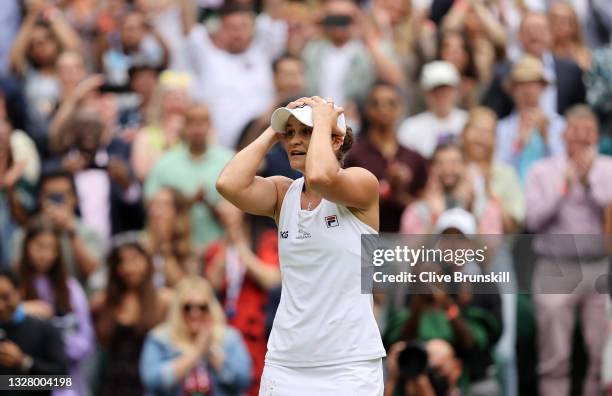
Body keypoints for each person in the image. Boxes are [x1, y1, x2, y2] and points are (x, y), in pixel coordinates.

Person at [216, 96, 386, 394]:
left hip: (349, 364)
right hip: (286, 362)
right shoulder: (284, 193)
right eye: (290, 133)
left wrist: (322, 119)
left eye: (305, 132)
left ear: (336, 140)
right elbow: (228, 184)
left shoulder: (362, 183)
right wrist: (272, 131)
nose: (294, 140)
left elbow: (322, 176)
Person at [525, 105, 612, 396]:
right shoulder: (542, 170)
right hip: (555, 267)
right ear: (564, 134)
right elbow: (533, 220)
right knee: (554, 354)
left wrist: (588, 185)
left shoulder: (608, 168)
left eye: (590, 132)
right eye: (577, 131)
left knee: (600, 353)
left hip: (598, 267)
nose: (583, 139)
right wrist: (564, 185)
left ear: (598, 136)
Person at [181, 0, 288, 148]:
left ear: (252, 28)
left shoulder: (263, 52)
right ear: (219, 29)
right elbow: (189, 26)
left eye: (243, 26)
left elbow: (274, 10)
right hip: (220, 149)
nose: (237, 33)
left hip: (263, 145)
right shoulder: (206, 56)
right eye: (231, 27)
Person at [203, 204, 281, 396]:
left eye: (229, 204)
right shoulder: (216, 247)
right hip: (224, 331)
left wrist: (240, 247)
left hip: (258, 331)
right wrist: (226, 246)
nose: (224, 209)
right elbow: (211, 284)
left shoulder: (266, 239)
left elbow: (271, 279)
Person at [16, 216, 95, 396]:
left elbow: (86, 341)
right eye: (39, 247)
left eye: (52, 248)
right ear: (26, 246)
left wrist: (53, 342)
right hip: (19, 381)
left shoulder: (70, 289)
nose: (46, 255)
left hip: (64, 380)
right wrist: (20, 310)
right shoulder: (13, 286)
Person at [139, 276, 252, 396]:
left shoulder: (228, 337)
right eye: (188, 307)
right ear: (177, 309)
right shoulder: (160, 338)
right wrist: (196, 353)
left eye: (202, 307)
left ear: (211, 309)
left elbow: (243, 380)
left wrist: (211, 352)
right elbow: (151, 381)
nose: (195, 313)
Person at [144, 103, 233, 250]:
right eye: (192, 122)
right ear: (184, 126)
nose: (198, 128)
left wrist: (209, 202)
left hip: (218, 248)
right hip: (175, 249)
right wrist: (182, 202)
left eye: (203, 122)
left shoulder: (228, 160)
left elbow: (239, 209)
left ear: (210, 125)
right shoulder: (165, 163)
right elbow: (150, 203)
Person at [90, 236, 171, 396]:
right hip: (112, 384)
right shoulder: (103, 302)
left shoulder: (163, 300)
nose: (128, 268)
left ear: (147, 262)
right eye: (121, 262)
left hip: (149, 386)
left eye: (134, 260)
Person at [345, 82, 428, 232]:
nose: (383, 109)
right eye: (376, 104)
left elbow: (424, 208)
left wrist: (400, 194)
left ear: (400, 108)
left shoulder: (414, 157)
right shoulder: (354, 155)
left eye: (391, 103)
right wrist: (388, 187)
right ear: (368, 109)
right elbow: (347, 206)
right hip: (365, 238)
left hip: (407, 242)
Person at [482, 11, 585, 119]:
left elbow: (579, 113)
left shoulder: (571, 71)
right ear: (519, 36)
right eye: (529, 30)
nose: (535, 35)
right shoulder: (502, 73)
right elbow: (494, 115)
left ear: (550, 35)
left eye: (540, 29)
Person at [11, 170, 103, 286]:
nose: (56, 203)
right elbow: (16, 273)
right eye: (50, 196)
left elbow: (92, 271)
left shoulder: (90, 232)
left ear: (75, 199)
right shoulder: (25, 233)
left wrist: (71, 232)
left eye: (61, 196)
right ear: (40, 199)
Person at [303, 0, 403, 107]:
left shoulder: (366, 48)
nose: (338, 24)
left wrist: (364, 31)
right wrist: (315, 22)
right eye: (334, 18)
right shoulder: (313, 49)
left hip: (355, 116)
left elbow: (395, 79)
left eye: (344, 19)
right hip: (316, 114)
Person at [400, 142, 503, 234]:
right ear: (431, 169)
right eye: (440, 163)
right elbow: (409, 253)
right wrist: (434, 218)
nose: (448, 169)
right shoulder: (416, 211)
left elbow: (490, 253)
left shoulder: (487, 208)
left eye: (454, 162)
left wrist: (471, 213)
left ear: (465, 166)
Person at [495, 55, 565, 184]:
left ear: (542, 88)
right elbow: (498, 171)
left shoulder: (559, 125)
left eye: (533, 84)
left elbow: (564, 169)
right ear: (513, 90)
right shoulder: (501, 129)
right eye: (521, 85)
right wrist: (518, 145)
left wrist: (546, 138)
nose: (527, 91)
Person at [0, 269, 69, 396]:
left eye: (5, 297)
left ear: (20, 291)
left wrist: (24, 363)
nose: (1, 306)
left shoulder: (44, 329)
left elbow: (61, 380)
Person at [462, 107, 524, 233]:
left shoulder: (506, 174)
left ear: (496, 139)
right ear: (463, 133)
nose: (480, 137)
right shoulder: (450, 169)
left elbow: (512, 227)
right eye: (476, 130)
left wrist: (489, 193)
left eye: (487, 132)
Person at [398, 61, 467, 158]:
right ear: (426, 93)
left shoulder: (468, 121)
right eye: (435, 91)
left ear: (455, 91)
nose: (441, 95)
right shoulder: (410, 127)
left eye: (446, 90)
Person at [132, 70, 191, 181]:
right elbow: (142, 172)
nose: (178, 101)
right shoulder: (145, 135)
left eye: (183, 97)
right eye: (172, 97)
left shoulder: (198, 135)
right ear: (161, 101)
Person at [140, 187, 193, 288]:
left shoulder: (190, 252)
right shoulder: (138, 245)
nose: (156, 212)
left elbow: (185, 290)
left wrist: (165, 247)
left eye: (163, 206)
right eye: (153, 205)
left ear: (178, 213)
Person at [548, 1, 591, 71]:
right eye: (556, 20)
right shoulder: (544, 51)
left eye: (565, 20)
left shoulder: (582, 53)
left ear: (574, 24)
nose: (561, 25)